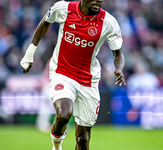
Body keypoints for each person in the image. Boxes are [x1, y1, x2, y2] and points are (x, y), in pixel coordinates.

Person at [20, 0, 126, 150]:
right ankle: (57, 146)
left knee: (83, 139)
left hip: (88, 81)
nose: (98, 0)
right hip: (62, 72)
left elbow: (118, 54)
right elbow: (46, 21)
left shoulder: (108, 22)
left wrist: (119, 69)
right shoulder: (64, 8)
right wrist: (29, 53)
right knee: (64, 114)